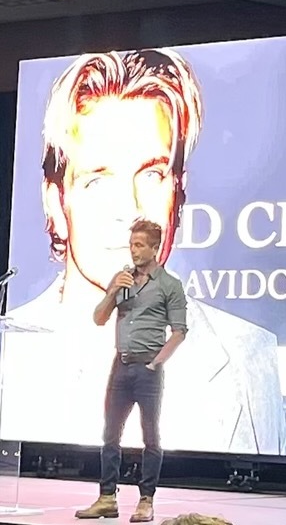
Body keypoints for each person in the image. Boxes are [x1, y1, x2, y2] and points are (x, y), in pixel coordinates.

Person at [1, 49, 286, 458]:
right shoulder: (9, 353)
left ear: (179, 192)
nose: (130, 209)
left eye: (152, 175)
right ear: (56, 203)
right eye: (98, 181)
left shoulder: (248, 353)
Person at [76, 219, 187, 522]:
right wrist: (112, 291)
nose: (134, 251)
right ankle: (107, 498)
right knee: (110, 434)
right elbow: (99, 318)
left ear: (155, 248)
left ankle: (146, 500)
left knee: (150, 436)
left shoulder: (169, 285)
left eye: (139, 245)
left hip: (148, 368)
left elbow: (179, 332)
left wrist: (155, 363)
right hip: (120, 365)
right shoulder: (122, 279)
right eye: (132, 245)